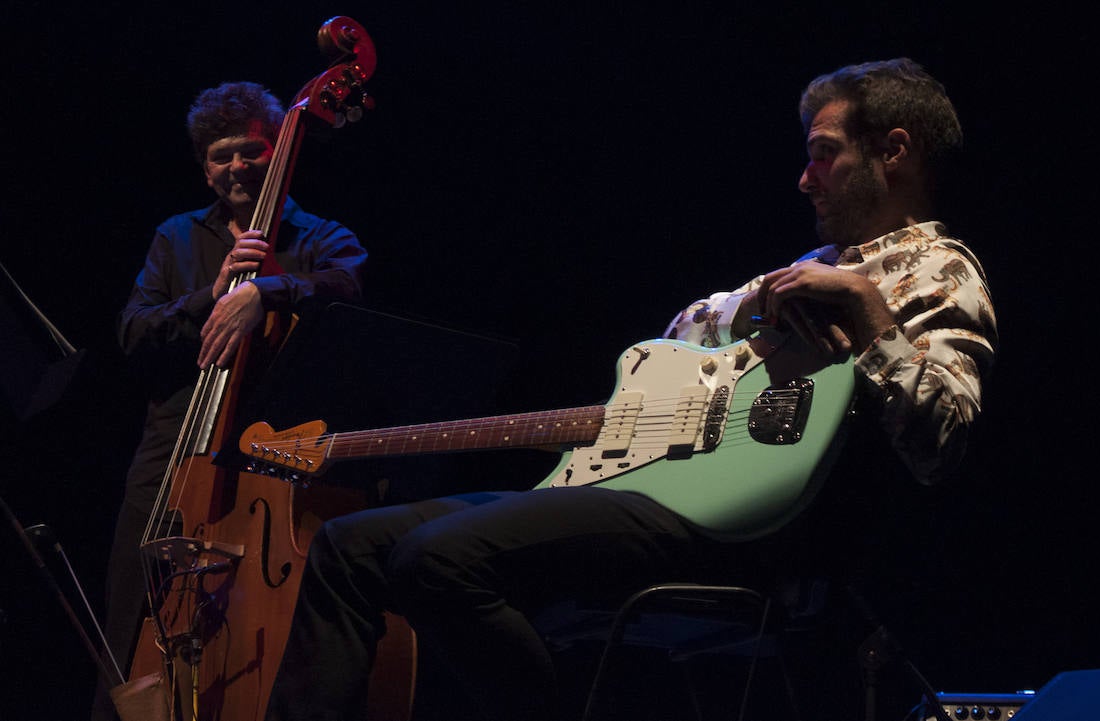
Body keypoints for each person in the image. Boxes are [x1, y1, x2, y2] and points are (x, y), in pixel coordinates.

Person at [264, 58, 996, 721]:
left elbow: (942, 446)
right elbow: (679, 330)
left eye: (823, 154)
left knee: (437, 558)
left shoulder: (941, 270)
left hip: (755, 529)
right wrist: (759, 301)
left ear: (894, 152)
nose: (805, 179)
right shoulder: (813, 262)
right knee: (345, 544)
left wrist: (867, 310)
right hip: (670, 489)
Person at [94, 82, 368, 720]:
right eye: (222, 156)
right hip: (172, 452)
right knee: (132, 617)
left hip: (266, 462)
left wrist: (266, 292)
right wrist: (212, 294)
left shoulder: (323, 235)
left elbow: (347, 287)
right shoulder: (177, 237)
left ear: (279, 152)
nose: (237, 167)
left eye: (251, 151)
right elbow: (133, 333)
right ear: (204, 166)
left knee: (259, 625)